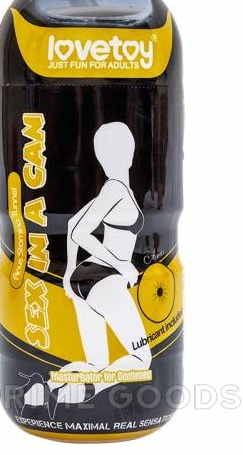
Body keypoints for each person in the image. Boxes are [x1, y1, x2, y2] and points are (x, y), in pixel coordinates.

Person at [20, 122, 151, 418]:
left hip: (85, 276)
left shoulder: (112, 190)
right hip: (106, 279)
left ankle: (41, 389)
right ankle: (86, 391)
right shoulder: (116, 190)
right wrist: (121, 264)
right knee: (141, 358)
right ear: (130, 153)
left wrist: (69, 273)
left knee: (95, 364)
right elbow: (80, 231)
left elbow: (70, 224)